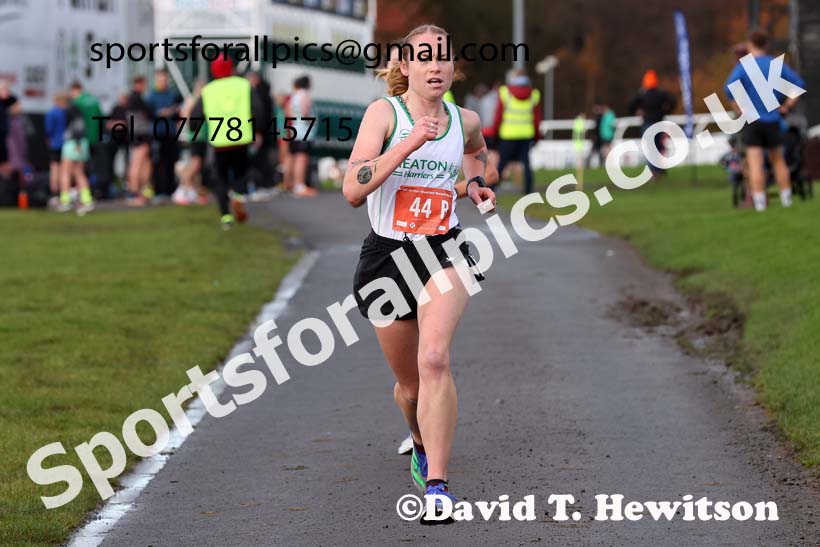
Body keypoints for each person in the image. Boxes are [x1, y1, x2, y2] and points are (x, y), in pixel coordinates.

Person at [342, 24, 497, 524]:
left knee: (434, 360)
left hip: (444, 250)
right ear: (404, 66)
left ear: (455, 67)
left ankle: (437, 485)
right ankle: (417, 437)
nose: (436, 66)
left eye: (444, 58)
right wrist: (406, 145)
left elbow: (477, 153)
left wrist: (473, 184)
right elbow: (352, 187)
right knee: (409, 387)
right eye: (424, 58)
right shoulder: (383, 114)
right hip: (387, 257)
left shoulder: (464, 118)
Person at [725, 28, 805, 211]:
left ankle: (760, 205)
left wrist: (739, 109)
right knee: (779, 161)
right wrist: (786, 107)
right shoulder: (775, 64)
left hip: (752, 121)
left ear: (750, 44)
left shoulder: (744, 66)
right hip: (773, 120)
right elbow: (798, 85)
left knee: (755, 164)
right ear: (767, 44)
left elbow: (729, 90)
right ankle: (787, 201)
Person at [190, 57, 263, 229]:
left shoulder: (208, 90)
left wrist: (197, 128)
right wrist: (258, 130)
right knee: (241, 172)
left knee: (221, 177)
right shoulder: (244, 85)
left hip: (219, 140)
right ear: (231, 67)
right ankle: (238, 196)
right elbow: (258, 109)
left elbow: (195, 116)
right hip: (242, 138)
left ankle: (225, 216)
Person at [491, 69, 542, 194]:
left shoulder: (505, 93)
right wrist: (537, 137)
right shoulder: (534, 94)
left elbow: (498, 116)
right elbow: (537, 119)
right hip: (526, 135)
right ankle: (528, 191)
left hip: (508, 135)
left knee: (501, 164)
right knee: (526, 165)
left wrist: (494, 133)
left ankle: (491, 189)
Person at [628, 69, 676, 177]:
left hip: (647, 124)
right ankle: (659, 169)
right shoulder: (661, 93)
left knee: (650, 149)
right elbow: (673, 101)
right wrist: (665, 111)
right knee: (659, 147)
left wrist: (637, 112)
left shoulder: (642, 95)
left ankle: (654, 171)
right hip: (659, 123)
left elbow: (631, 105)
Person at [147, 69, 183, 202]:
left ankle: (170, 190)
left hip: (171, 133)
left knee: (171, 162)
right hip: (158, 132)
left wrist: (173, 112)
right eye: (160, 78)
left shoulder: (172, 94)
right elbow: (149, 114)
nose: (162, 81)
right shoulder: (151, 96)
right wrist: (160, 113)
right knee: (158, 163)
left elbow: (178, 112)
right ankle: (158, 191)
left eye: (164, 78)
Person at [57, 97, 94, 215]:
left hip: (73, 143)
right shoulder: (78, 111)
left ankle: (65, 200)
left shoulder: (70, 110)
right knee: (79, 173)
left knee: (65, 171)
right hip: (81, 143)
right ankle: (87, 199)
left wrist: (77, 142)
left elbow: (77, 127)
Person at [175, 80, 209, 206]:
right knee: (195, 164)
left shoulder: (197, 100)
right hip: (196, 136)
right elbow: (184, 116)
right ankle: (182, 190)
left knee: (196, 165)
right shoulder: (193, 100)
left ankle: (191, 192)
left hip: (200, 136)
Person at [69, 82, 103, 195]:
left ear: (75, 90)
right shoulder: (94, 101)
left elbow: (76, 124)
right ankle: (92, 190)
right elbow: (101, 119)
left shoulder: (77, 103)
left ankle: (80, 192)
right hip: (94, 138)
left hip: (80, 140)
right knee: (90, 167)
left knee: (78, 169)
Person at [125, 75, 154, 206]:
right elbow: (149, 114)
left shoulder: (133, 98)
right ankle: (135, 193)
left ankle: (143, 191)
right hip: (140, 133)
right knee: (137, 163)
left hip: (136, 133)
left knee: (145, 163)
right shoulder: (136, 98)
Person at [286, 75, 318, 197]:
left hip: (294, 130)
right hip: (304, 132)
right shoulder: (304, 95)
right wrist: (312, 122)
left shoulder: (293, 96)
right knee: (302, 159)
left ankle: (291, 184)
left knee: (293, 158)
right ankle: (300, 185)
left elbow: (288, 113)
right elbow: (305, 112)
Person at [45, 92, 69, 198]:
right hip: (66, 143)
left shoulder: (52, 113)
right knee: (64, 170)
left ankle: (54, 193)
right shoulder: (65, 113)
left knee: (55, 169)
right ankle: (63, 193)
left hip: (55, 143)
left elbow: (48, 130)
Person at [0, 79, 19, 180]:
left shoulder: (5, 102)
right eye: (4, 89)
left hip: (3, 140)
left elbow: (15, 100)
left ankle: (5, 189)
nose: (6, 91)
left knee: (6, 165)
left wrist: (6, 92)